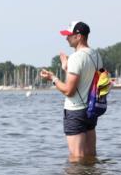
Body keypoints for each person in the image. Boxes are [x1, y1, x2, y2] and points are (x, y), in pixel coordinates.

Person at [39, 21, 103, 162]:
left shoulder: (76, 57)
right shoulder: (96, 55)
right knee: (91, 156)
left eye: (69, 35)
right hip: (91, 110)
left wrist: (53, 78)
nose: (66, 38)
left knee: (77, 159)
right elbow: (87, 80)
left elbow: (69, 91)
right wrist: (67, 68)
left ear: (79, 36)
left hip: (76, 111)